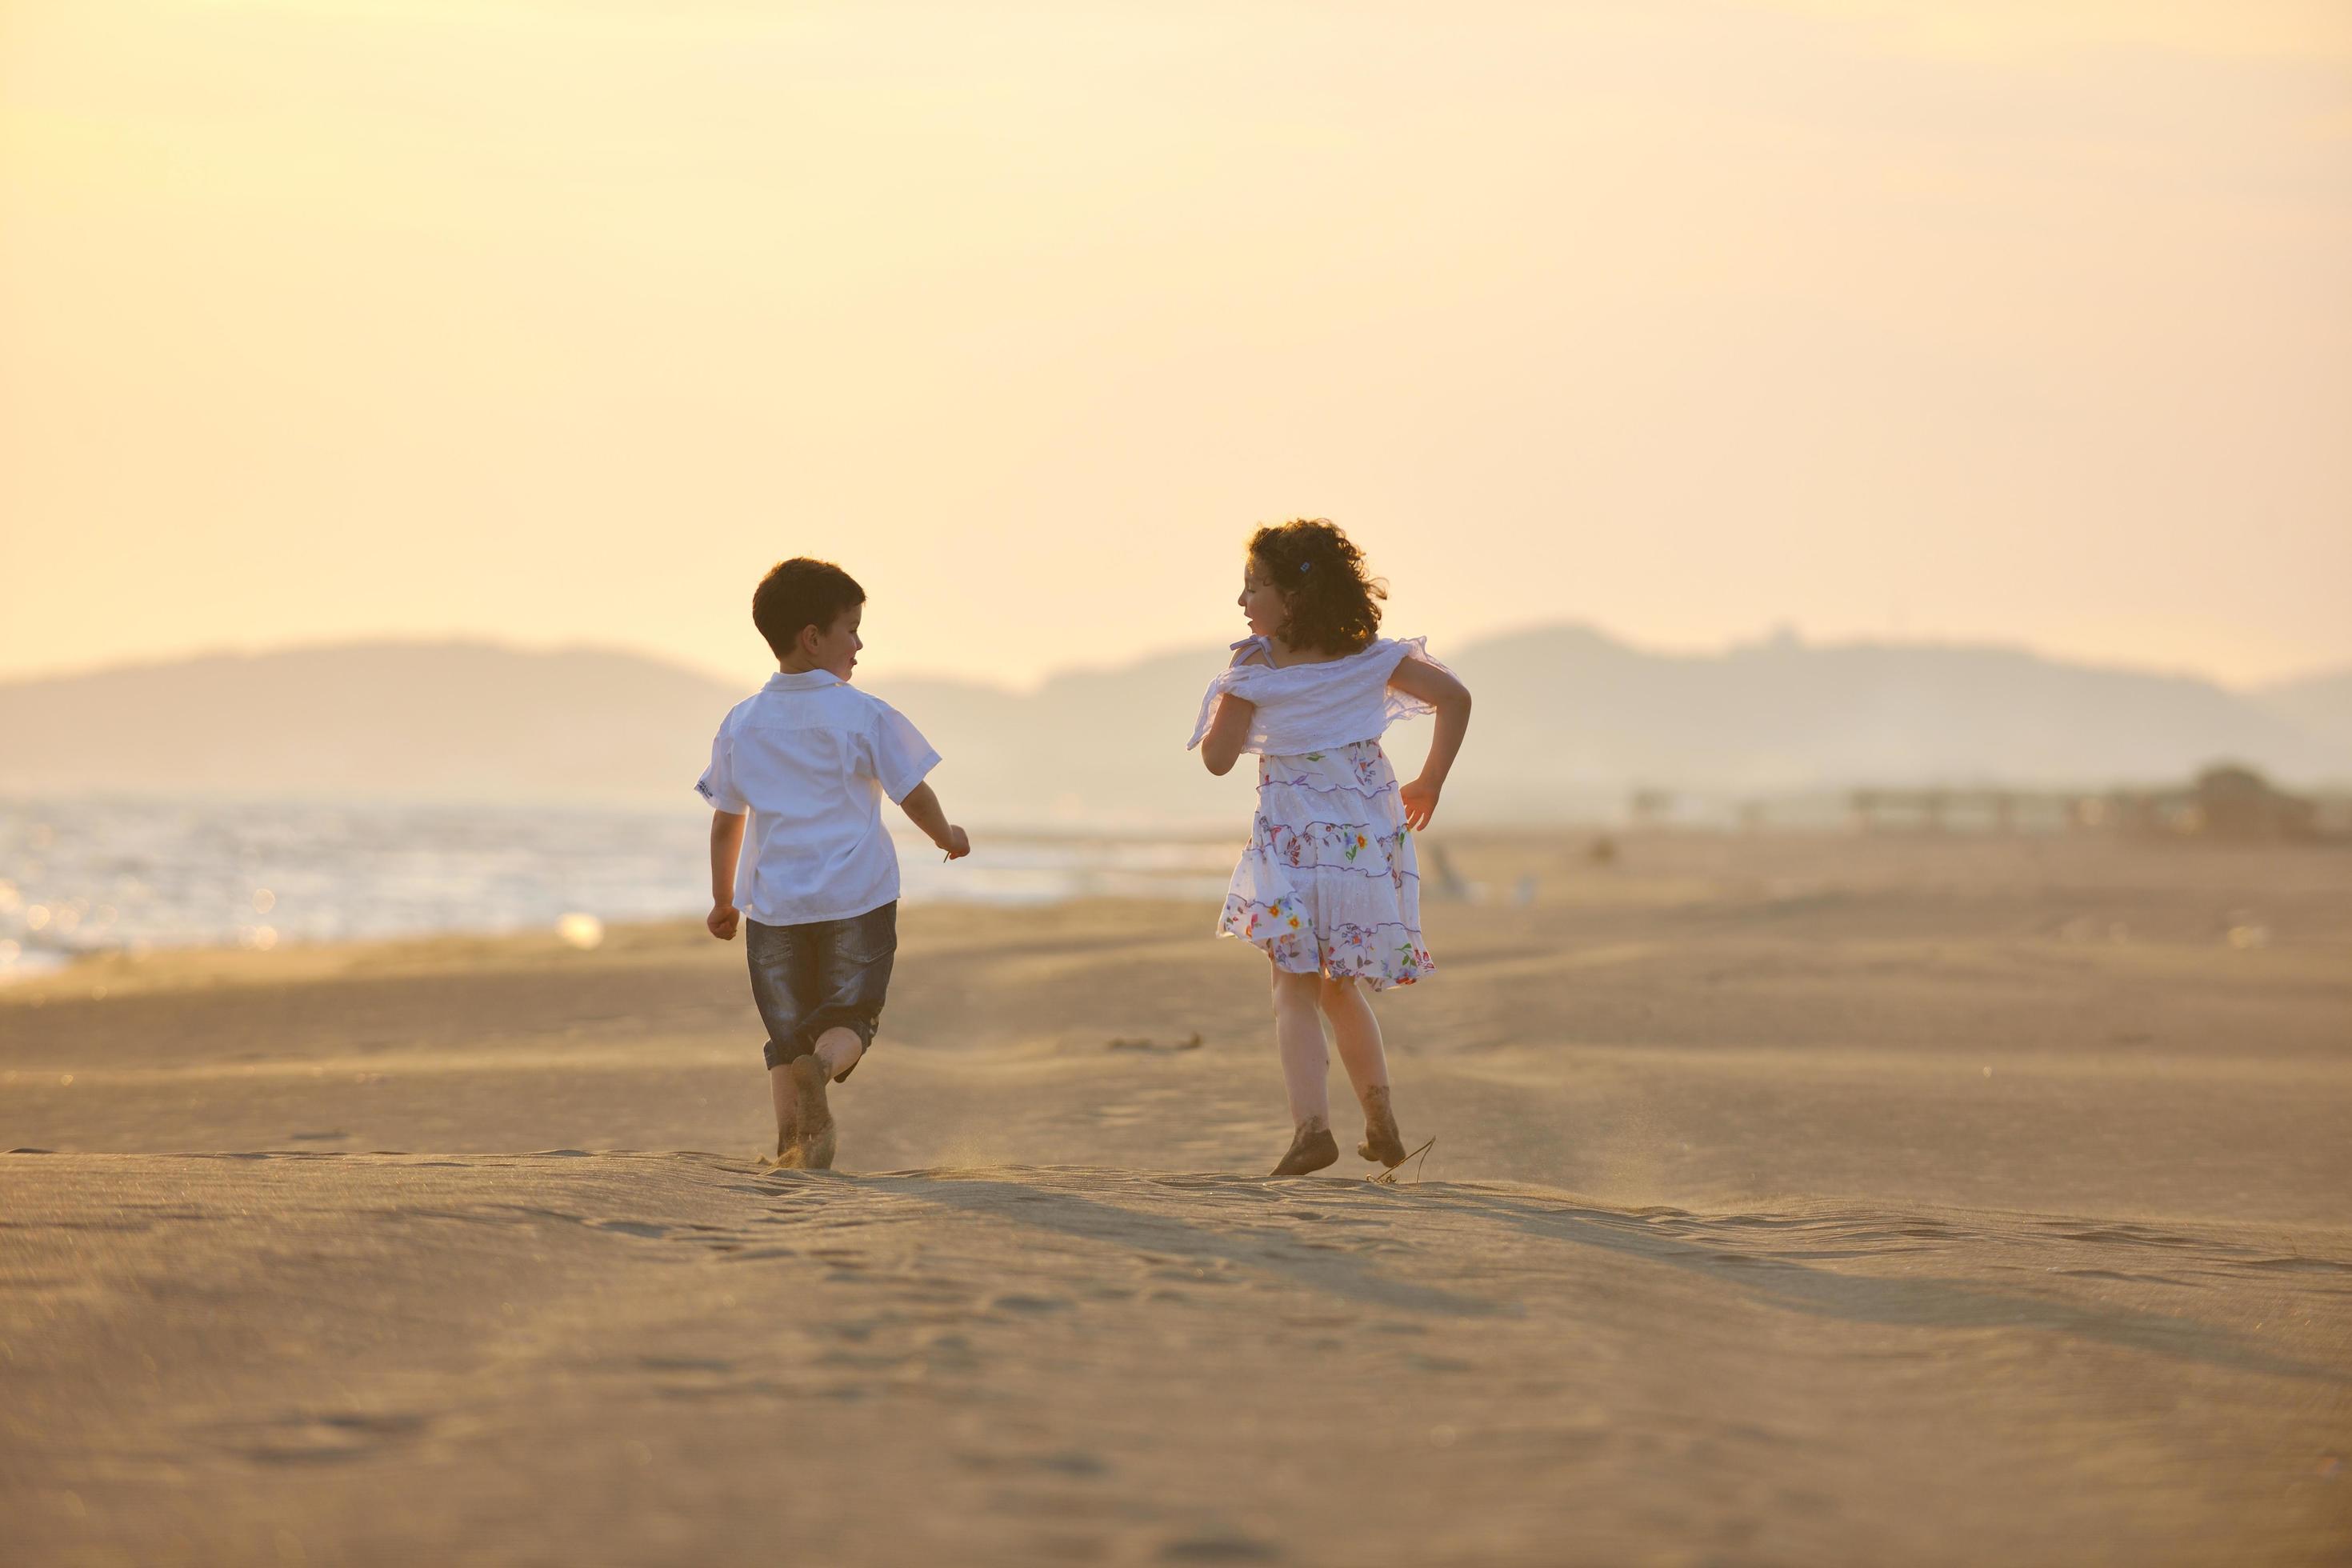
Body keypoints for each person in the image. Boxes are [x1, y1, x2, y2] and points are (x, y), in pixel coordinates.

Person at [1188, 519, 1472, 1177]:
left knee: (1293, 987)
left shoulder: (1255, 665)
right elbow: (1453, 697)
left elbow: (1218, 761)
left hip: (1293, 848)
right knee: (1340, 988)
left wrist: (1235, 692)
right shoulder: (1370, 656)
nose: (1242, 602)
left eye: (1254, 587)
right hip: (1365, 847)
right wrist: (1429, 780)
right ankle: (1381, 1121)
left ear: (1293, 598)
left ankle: (1312, 1130)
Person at [698, 557, 970, 1169]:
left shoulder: (742, 723)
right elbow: (913, 793)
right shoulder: (863, 713)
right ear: (813, 638)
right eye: (850, 628)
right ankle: (824, 1068)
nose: (860, 642)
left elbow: (726, 820)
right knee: (851, 1017)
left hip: (774, 908)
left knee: (784, 1037)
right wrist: (946, 834)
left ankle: (793, 1145)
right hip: (857, 898)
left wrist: (722, 900)